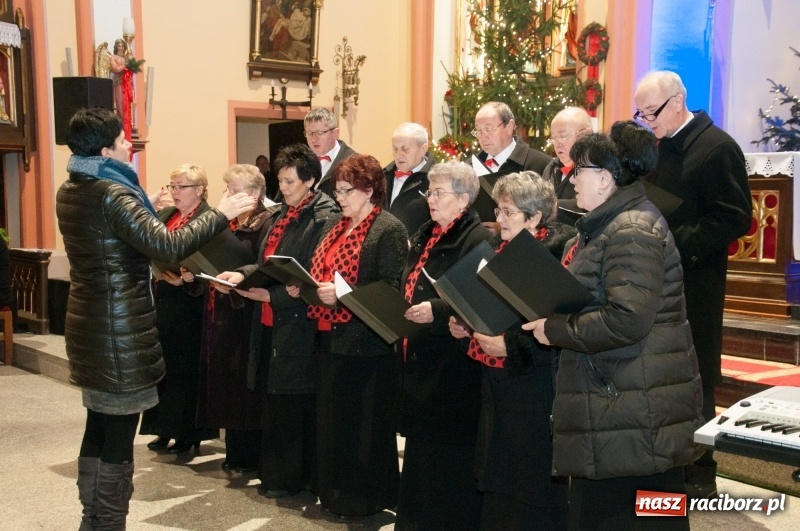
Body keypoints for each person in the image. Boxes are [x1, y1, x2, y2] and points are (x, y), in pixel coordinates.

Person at [55, 107, 254, 530]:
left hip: (89, 321)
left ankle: (91, 518)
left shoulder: (71, 187)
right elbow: (165, 247)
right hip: (119, 328)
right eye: (124, 138)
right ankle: (108, 522)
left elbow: (129, 240)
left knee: (98, 422)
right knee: (119, 433)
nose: (130, 143)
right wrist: (220, 213)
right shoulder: (113, 192)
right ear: (106, 147)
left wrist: (148, 209)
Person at [523, 122, 703, 530]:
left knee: (639, 515)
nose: (571, 180)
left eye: (579, 171)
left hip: (634, 406)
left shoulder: (631, 229)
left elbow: (628, 319)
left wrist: (557, 329)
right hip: (620, 399)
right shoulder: (610, 223)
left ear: (604, 179)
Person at [634, 71, 752, 499]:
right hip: (661, 281)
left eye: (653, 112)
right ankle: (667, 469)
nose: (649, 122)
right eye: (642, 114)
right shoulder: (662, 147)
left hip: (697, 281)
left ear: (678, 101)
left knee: (695, 376)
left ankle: (700, 475)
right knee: (668, 375)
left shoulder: (717, 147)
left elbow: (735, 216)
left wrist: (677, 242)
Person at [449, 171, 573, 530]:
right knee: (498, 471)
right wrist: (463, 327)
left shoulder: (555, 252)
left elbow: (556, 324)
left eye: (507, 212)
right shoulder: (497, 252)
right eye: (499, 210)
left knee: (528, 476)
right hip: (497, 382)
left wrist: (510, 345)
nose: (498, 219)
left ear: (534, 217)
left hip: (534, 383)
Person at [219, 144, 339, 499]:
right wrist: (241, 275)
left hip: (300, 321)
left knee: (293, 403)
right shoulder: (283, 214)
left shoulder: (323, 217)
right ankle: (276, 475)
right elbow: (268, 262)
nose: (283, 188)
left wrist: (272, 296)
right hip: (273, 318)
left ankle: (292, 479)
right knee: (275, 400)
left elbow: (314, 277)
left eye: (290, 181)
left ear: (310, 181)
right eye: (280, 181)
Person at [307, 154, 408, 519]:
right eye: (337, 191)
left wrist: (343, 294)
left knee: (365, 425)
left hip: (368, 343)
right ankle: (336, 492)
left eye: (347, 191)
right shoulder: (336, 226)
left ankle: (366, 497)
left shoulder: (388, 228)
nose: (340, 198)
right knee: (336, 421)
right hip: (331, 336)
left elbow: (388, 286)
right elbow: (322, 270)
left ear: (369, 189)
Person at [396, 161, 491, 530]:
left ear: (464, 199)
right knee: (422, 451)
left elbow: (477, 292)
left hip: (452, 360)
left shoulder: (477, 237)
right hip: (422, 353)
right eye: (429, 192)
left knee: (447, 456)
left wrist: (435, 309)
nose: (430, 199)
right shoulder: (427, 232)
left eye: (439, 193)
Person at [191, 164, 273, 473]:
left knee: (244, 385)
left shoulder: (266, 222)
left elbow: (261, 265)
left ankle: (250, 455)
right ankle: (236, 452)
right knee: (228, 383)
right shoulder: (229, 222)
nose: (228, 196)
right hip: (224, 308)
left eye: (234, 191)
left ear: (253, 195)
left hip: (248, 313)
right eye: (227, 190)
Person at [138, 165, 220, 454]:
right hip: (165, 298)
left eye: (181, 186)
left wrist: (190, 278)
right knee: (164, 367)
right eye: (172, 186)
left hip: (192, 303)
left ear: (199, 190)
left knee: (186, 370)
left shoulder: (208, 219)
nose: (174, 192)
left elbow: (214, 260)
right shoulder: (167, 215)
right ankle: (162, 427)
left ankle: (187, 433)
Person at [541, 106, 593, 223]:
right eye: (554, 138)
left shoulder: (595, 169)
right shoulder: (551, 168)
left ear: (586, 134)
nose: (557, 143)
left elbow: (590, 206)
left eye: (563, 136)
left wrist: (552, 207)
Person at [383, 122, 434, 237]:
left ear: (423, 149)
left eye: (405, 149)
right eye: (395, 149)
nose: (399, 155)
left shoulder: (436, 179)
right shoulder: (383, 176)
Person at [303, 108, 357, 197]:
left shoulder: (354, 163)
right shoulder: (300, 161)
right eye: (309, 133)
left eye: (320, 133)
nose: (314, 139)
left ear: (335, 133)